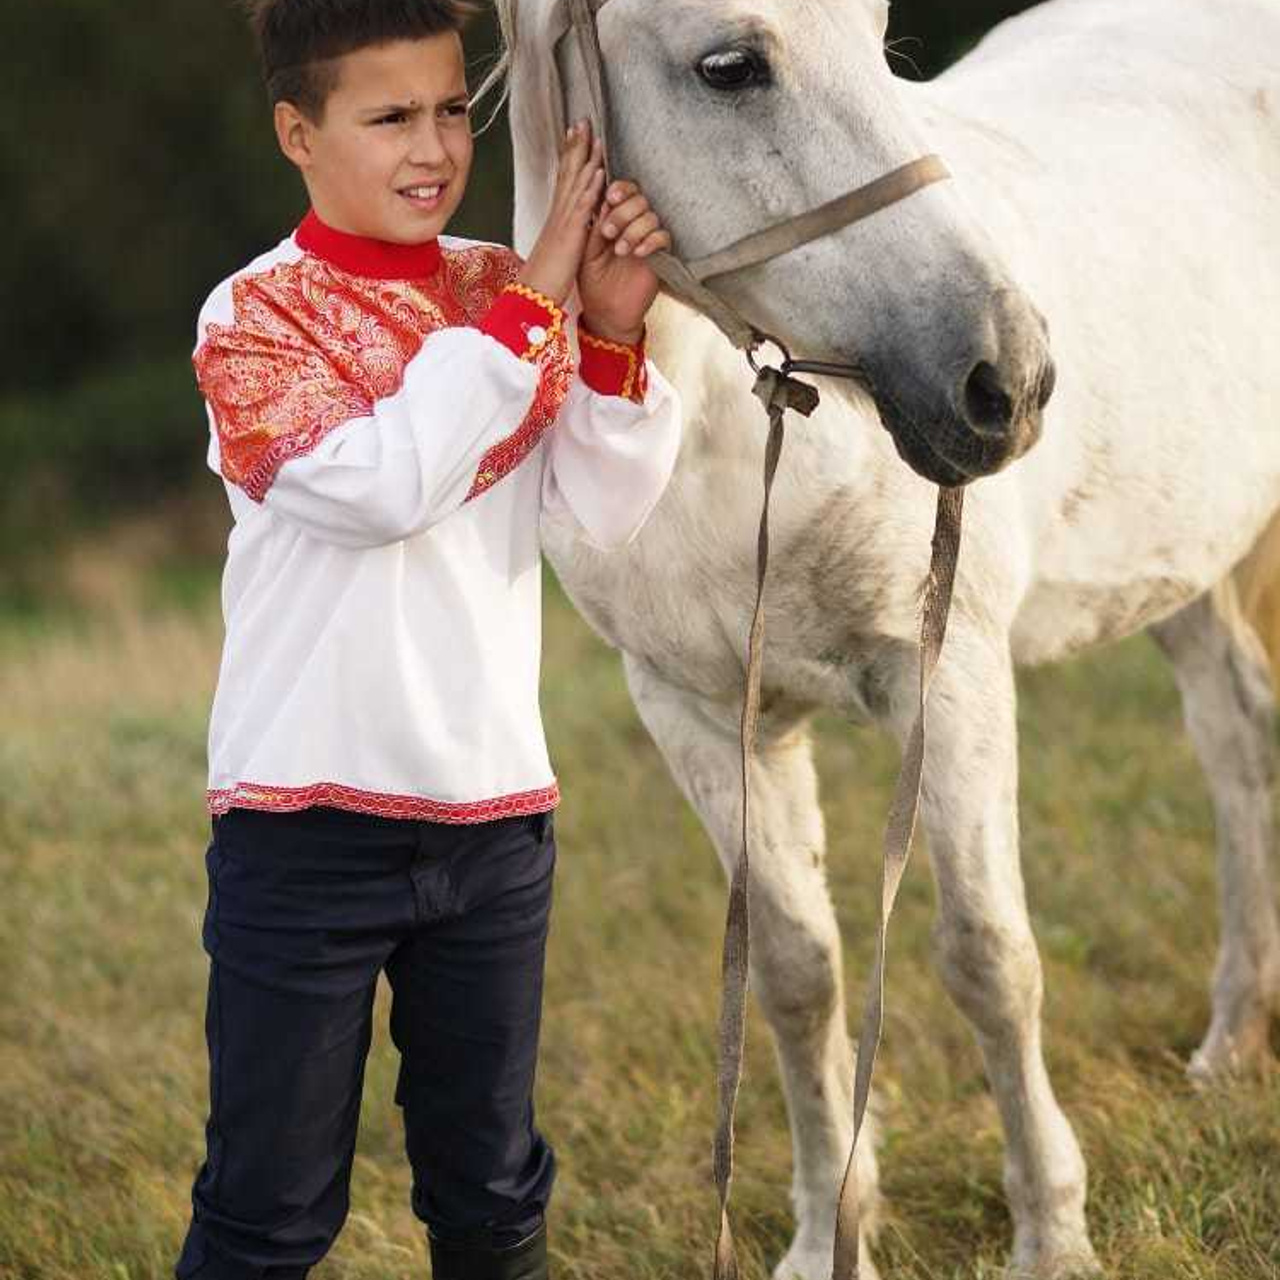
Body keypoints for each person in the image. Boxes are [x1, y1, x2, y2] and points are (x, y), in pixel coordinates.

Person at [173, 1, 681, 1277]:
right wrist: (539, 306)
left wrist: (610, 329)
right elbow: (386, 488)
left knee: (493, 1195)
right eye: (388, 115)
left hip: (493, 815)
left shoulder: (503, 289)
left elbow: (598, 510)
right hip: (304, 823)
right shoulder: (249, 319)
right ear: (298, 130)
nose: (433, 146)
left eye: (453, 108)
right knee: (268, 1212)